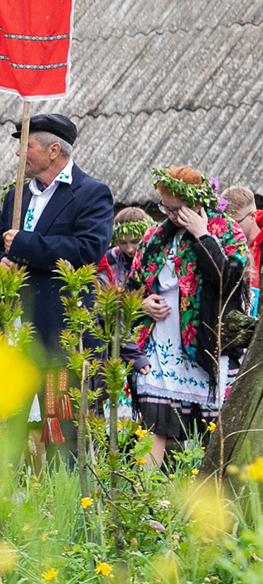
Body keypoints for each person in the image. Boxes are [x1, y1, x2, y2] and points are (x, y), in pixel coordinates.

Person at [0, 114, 112, 449]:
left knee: (59, 430)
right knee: (4, 432)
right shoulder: (17, 197)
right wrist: (0, 262)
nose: (18, 154)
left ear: (54, 150)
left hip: (59, 338)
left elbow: (87, 251)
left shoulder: (91, 193)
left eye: (26, 145)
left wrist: (24, 244)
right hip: (14, 334)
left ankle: (62, 500)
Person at [129, 167, 250, 467]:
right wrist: (143, 303)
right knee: (154, 424)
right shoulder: (155, 237)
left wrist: (202, 235)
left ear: (196, 202)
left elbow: (228, 280)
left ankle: (211, 501)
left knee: (212, 430)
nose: (169, 215)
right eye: (164, 208)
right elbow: (131, 285)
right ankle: (145, 499)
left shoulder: (226, 230)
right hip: (161, 343)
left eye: (175, 208)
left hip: (206, 342)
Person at [221, 185, 262, 314]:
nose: (229, 229)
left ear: (253, 216)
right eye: (225, 223)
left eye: (236, 222)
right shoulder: (221, 245)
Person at [96, 207, 157, 289]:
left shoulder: (158, 257)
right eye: (122, 243)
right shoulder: (109, 260)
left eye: (135, 241)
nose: (129, 249)